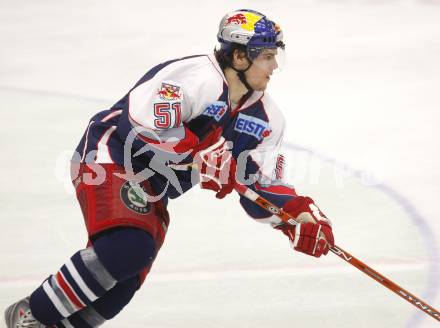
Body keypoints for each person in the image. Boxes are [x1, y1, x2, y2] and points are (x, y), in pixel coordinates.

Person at [4, 9, 335, 328]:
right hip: (111, 157)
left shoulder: (267, 119)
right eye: (267, 56)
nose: (275, 65)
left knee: (126, 280)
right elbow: (138, 124)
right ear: (239, 57)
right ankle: (30, 315)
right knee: (127, 247)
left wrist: (296, 215)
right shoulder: (196, 77)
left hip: (152, 186)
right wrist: (199, 150)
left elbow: (260, 183)